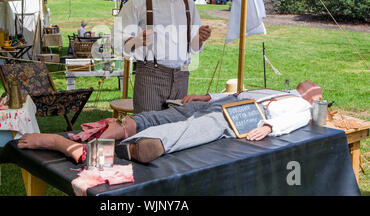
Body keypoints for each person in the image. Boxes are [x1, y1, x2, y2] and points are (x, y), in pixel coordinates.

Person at [17, 84, 314, 164]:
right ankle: (118, 133)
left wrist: (272, 128)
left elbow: (299, 117)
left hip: (241, 118)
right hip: (224, 104)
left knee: (191, 129)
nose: (308, 85)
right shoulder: (277, 89)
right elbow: (238, 93)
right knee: (156, 116)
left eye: (312, 87)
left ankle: (77, 148)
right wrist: (205, 95)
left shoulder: (302, 104)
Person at [112, 0, 211, 113]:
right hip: (150, 78)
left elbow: (193, 48)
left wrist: (200, 38)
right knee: (148, 131)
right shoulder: (140, 0)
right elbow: (115, 41)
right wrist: (136, 41)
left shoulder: (188, 3)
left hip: (181, 77)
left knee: (174, 132)